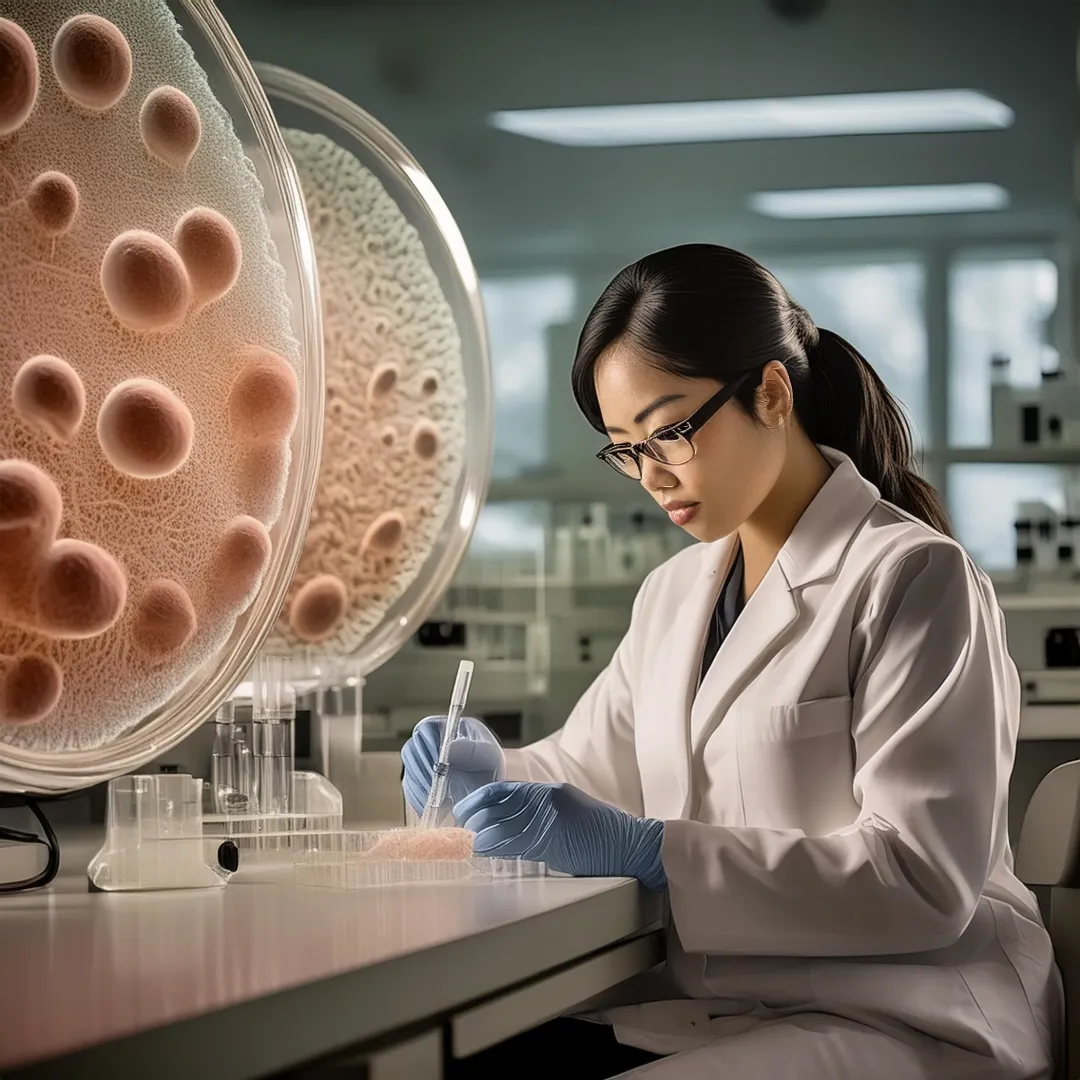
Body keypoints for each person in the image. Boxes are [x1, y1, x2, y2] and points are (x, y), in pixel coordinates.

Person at [402, 244, 1062, 1079]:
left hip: (908, 1015)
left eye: (670, 431)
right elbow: (589, 771)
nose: (652, 475)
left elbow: (921, 880)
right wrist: (486, 770)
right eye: (625, 449)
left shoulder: (913, 578)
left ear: (772, 393)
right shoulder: (674, 593)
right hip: (720, 1009)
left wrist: (655, 853)